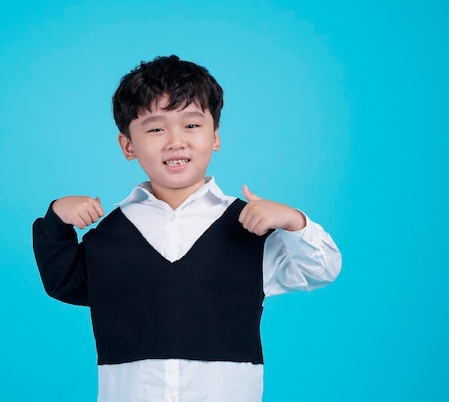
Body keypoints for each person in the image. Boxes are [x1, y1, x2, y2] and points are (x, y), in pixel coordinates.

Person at [32, 55, 341, 402]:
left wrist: (292, 221)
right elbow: (63, 281)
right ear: (128, 146)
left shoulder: (250, 226)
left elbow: (323, 269)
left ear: (215, 137)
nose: (175, 140)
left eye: (191, 125)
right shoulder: (109, 235)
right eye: (155, 128)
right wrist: (57, 219)